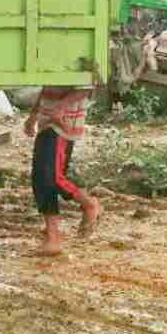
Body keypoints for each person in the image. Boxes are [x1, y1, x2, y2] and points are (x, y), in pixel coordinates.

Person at [23, 86, 101, 255]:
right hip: (47, 123)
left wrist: (61, 107)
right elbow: (47, 87)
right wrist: (33, 115)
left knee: (53, 178)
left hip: (62, 124)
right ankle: (52, 238)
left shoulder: (76, 60)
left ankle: (88, 204)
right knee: (41, 181)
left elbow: (86, 87)